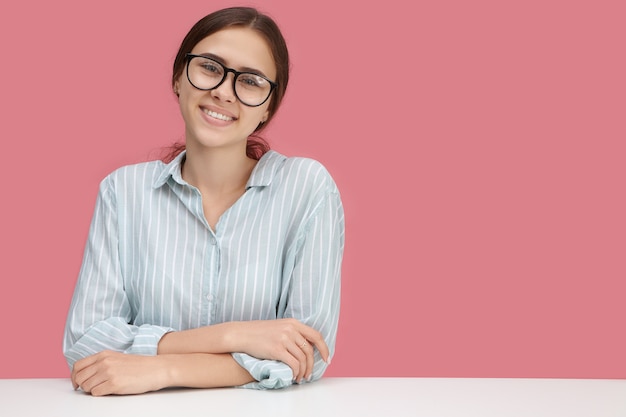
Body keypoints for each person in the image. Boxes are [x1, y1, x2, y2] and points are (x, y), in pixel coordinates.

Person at [63, 6, 344, 396]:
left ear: (267, 107)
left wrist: (163, 370)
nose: (224, 92)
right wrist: (236, 335)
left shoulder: (306, 188)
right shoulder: (122, 192)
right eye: (210, 67)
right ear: (179, 77)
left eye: (250, 81)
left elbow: (305, 353)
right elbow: (87, 342)